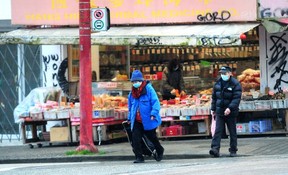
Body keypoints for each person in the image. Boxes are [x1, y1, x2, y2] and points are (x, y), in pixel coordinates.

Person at [127, 70, 164, 163]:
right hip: (136, 120)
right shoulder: (132, 93)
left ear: (141, 81)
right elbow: (130, 107)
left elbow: (155, 102)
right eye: (134, 82)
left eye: (137, 81)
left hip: (148, 119)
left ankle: (160, 150)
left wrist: (154, 114)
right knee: (135, 139)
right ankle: (139, 157)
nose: (135, 83)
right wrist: (129, 117)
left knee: (152, 138)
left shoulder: (149, 89)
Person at [209, 66, 242, 158]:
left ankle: (233, 149)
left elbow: (236, 98)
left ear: (230, 73)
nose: (223, 75)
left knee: (232, 132)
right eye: (221, 73)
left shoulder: (235, 84)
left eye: (225, 73)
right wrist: (213, 109)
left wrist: (230, 108)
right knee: (218, 131)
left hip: (231, 112)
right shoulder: (217, 84)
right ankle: (215, 149)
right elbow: (214, 97)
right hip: (220, 111)